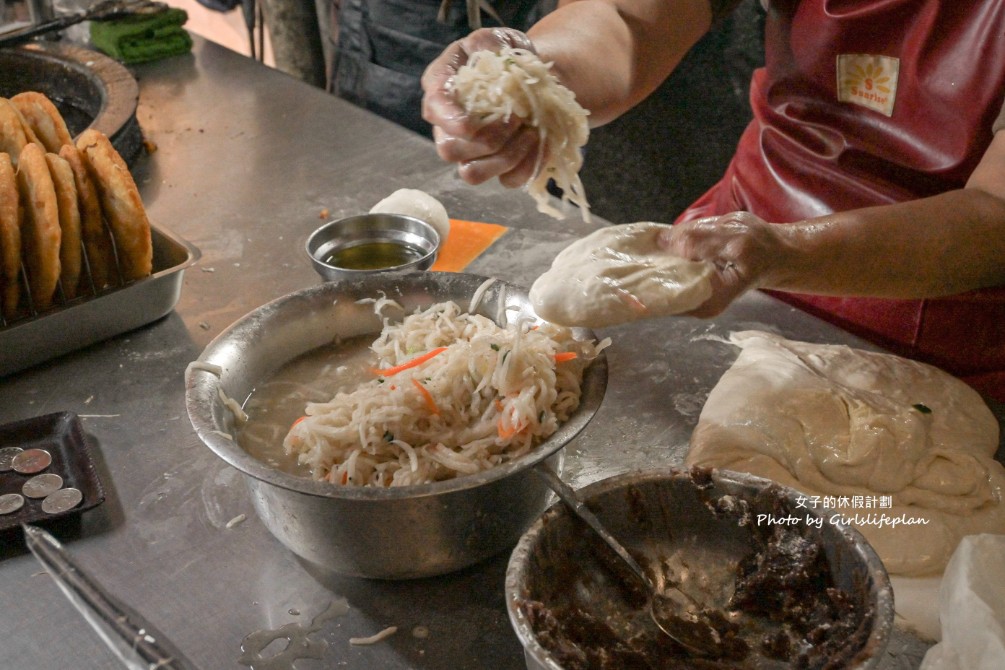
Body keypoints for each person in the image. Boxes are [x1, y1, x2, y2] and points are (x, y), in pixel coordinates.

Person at [419, 0, 1005, 402]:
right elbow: (630, 19)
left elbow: (993, 217)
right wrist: (533, 72)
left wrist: (779, 252)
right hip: (734, 239)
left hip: (945, 320)